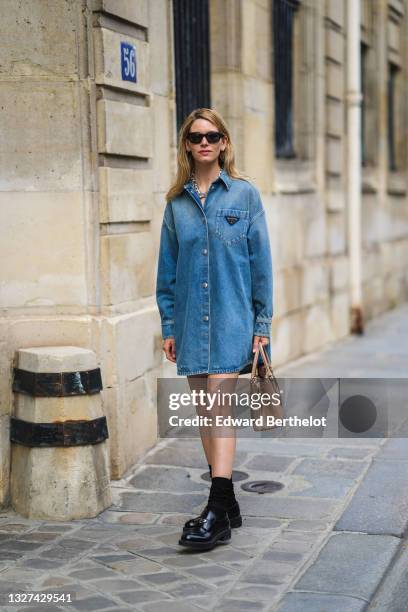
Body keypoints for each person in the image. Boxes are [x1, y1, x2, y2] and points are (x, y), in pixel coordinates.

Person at [156, 108, 273, 551]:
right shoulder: (176, 205)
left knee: (218, 411)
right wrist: (168, 324)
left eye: (213, 135)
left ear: (224, 142)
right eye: (196, 136)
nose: (204, 142)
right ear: (186, 144)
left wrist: (262, 324)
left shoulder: (244, 196)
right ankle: (228, 504)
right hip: (189, 324)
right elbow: (166, 272)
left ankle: (216, 510)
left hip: (232, 321)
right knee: (206, 414)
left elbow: (262, 265)